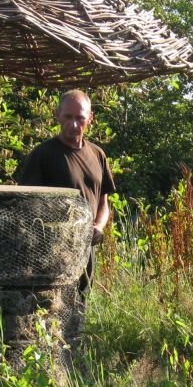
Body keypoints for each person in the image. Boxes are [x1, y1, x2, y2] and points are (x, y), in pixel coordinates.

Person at [18, 89, 115, 292]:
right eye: (68, 117)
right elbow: (26, 206)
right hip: (52, 251)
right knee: (52, 308)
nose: (73, 124)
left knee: (81, 304)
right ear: (57, 115)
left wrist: (99, 227)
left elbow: (104, 202)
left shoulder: (98, 155)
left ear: (90, 119)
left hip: (86, 249)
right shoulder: (42, 155)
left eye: (80, 118)